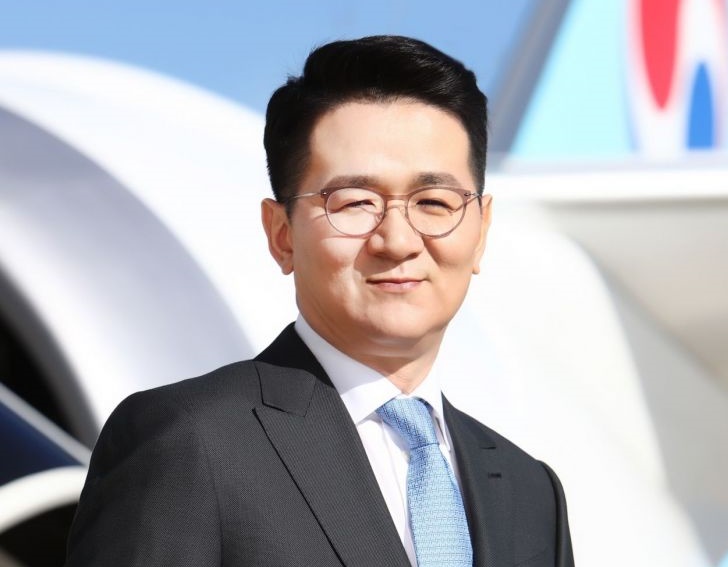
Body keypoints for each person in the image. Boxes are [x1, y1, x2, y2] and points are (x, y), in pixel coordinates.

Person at [66, 35, 574, 566]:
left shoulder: (529, 490)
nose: (397, 240)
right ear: (281, 233)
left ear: (481, 230)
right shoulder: (189, 441)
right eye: (355, 202)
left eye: (434, 202)